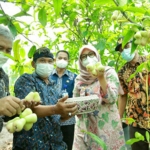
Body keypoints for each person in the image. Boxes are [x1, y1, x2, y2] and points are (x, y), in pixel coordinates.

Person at [13, 47, 78, 150]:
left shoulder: (54, 86)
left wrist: (66, 114)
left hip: (55, 144)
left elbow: (56, 118)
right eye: (42, 60)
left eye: (50, 61)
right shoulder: (26, 80)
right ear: (33, 64)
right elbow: (26, 109)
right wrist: (55, 109)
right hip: (31, 144)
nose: (46, 64)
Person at [72, 44, 126, 150]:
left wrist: (101, 77)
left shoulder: (108, 72)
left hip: (107, 125)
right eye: (83, 57)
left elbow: (111, 98)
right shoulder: (79, 79)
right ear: (80, 61)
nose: (88, 58)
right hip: (85, 127)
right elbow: (75, 103)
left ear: (97, 55)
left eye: (91, 54)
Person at [116, 37, 150, 150]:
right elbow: (122, 95)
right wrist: (119, 118)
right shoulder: (122, 72)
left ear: (135, 45)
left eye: (126, 46)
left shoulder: (148, 61)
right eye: (121, 50)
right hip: (135, 121)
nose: (124, 51)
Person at [51, 50, 77, 150]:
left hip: (68, 120)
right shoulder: (47, 76)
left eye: (65, 59)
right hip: (50, 119)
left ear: (68, 61)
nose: (62, 60)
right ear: (55, 60)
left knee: (67, 146)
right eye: (60, 58)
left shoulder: (74, 77)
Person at [0, 25, 24, 132]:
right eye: (0, 48)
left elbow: (4, 114)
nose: (4, 54)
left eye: (8, 50)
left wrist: (18, 107)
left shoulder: (3, 77)